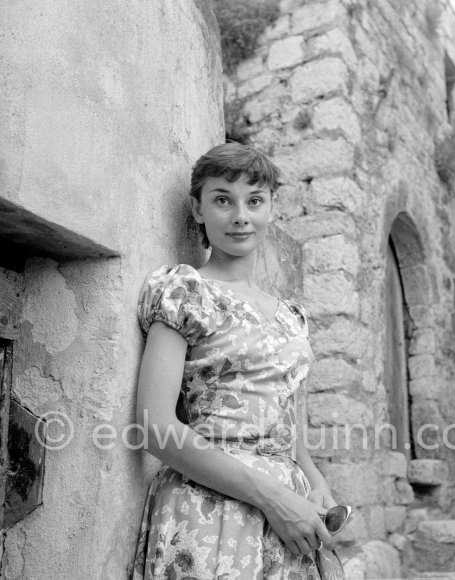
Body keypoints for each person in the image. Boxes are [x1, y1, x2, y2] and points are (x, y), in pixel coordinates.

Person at [132, 143, 341, 579]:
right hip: (209, 508)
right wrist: (274, 497)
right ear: (197, 209)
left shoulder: (290, 316)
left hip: (291, 516)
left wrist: (314, 482)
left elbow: (287, 422)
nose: (240, 215)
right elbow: (154, 427)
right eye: (223, 199)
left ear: (271, 209)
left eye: (255, 200)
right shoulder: (186, 292)